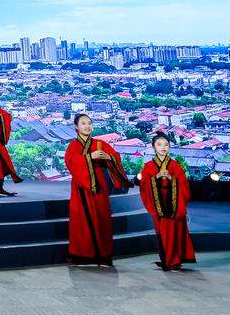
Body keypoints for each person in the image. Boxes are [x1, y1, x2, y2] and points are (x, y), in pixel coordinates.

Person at [65, 113, 131, 267]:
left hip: (100, 185)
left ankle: (104, 254)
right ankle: (82, 255)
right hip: (82, 187)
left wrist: (108, 157)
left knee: (102, 218)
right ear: (76, 127)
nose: (87, 126)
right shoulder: (74, 145)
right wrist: (90, 157)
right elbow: (71, 161)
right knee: (82, 220)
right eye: (83, 123)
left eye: (89, 123)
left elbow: (115, 157)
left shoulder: (100, 143)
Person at [139, 133, 196, 272]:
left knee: (175, 231)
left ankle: (175, 261)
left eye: (166, 144)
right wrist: (156, 177)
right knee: (162, 232)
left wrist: (172, 178)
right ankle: (167, 260)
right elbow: (144, 185)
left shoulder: (176, 166)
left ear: (170, 146)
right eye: (159, 144)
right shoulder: (149, 166)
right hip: (158, 203)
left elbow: (184, 185)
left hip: (174, 204)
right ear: (153, 147)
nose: (163, 147)